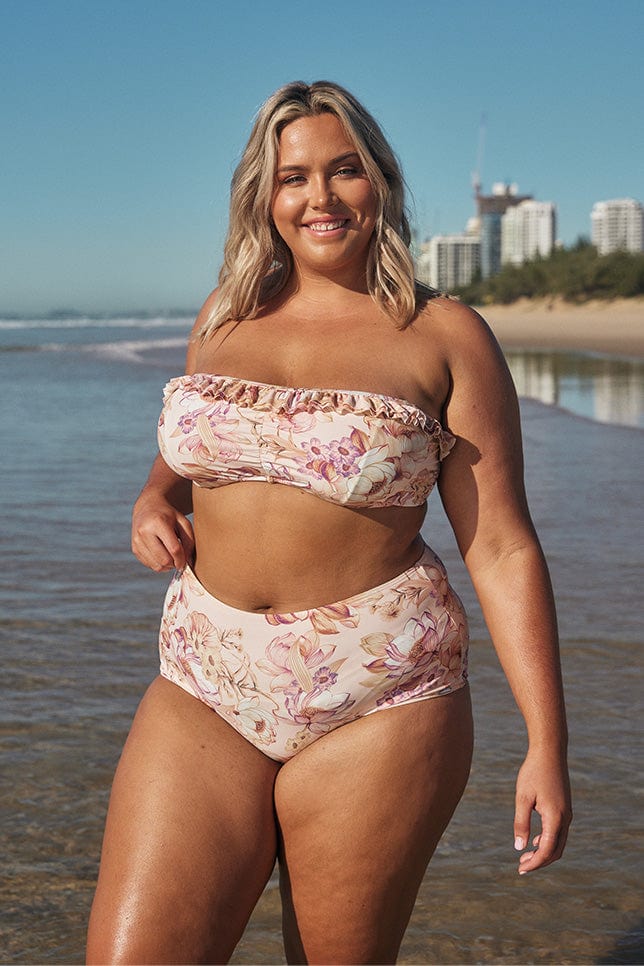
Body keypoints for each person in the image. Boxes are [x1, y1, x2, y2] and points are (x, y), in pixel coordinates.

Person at [86, 80, 572, 964]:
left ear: (379, 181)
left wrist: (546, 744)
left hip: (379, 690)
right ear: (263, 198)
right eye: (293, 177)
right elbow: (197, 448)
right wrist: (154, 496)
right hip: (207, 672)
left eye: (344, 171)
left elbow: (500, 546)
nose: (319, 197)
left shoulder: (443, 336)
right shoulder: (223, 318)